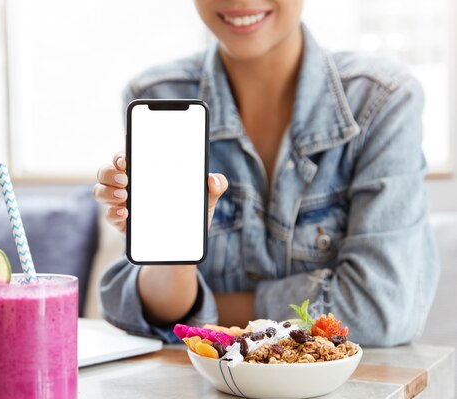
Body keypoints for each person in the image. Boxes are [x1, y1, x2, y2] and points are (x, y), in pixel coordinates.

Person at [92, 0, 439, 346]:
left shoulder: (380, 100)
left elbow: (377, 312)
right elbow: (158, 309)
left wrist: (206, 313)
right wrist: (176, 258)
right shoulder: (157, 97)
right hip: (203, 390)